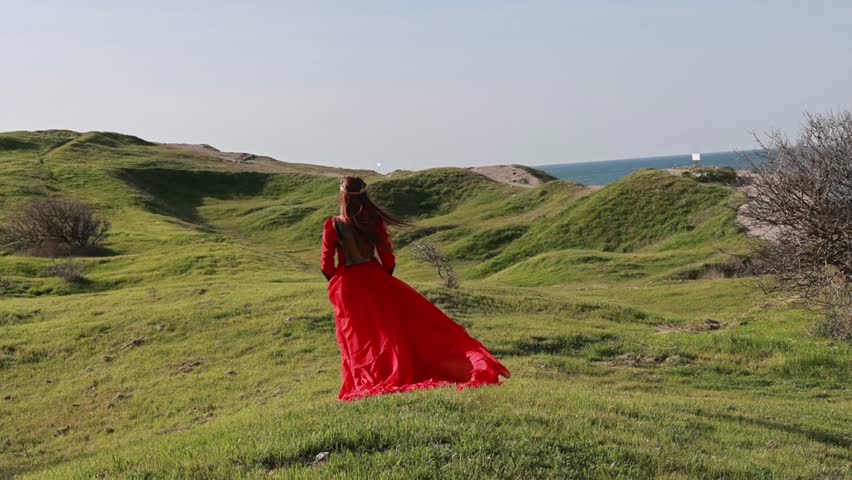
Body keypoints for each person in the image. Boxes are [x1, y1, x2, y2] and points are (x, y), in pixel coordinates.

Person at [321, 176, 510, 401]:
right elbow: (388, 260)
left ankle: (366, 378)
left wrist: (341, 279)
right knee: (392, 332)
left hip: (347, 287)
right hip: (376, 280)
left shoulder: (333, 225)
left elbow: (326, 265)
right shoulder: (374, 222)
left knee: (358, 338)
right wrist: (380, 279)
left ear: (342, 196)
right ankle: (397, 371)